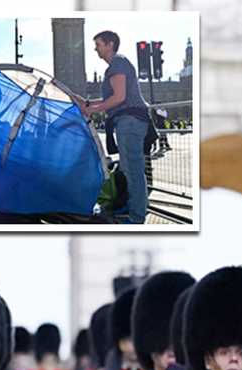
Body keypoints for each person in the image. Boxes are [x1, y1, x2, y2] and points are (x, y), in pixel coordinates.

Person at [83, 30, 150, 225]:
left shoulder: (118, 63)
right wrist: (87, 104)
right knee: (128, 168)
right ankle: (130, 206)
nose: (96, 48)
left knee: (133, 170)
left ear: (110, 44)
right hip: (127, 121)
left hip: (130, 121)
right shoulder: (115, 65)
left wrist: (92, 110)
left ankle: (137, 217)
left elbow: (119, 98)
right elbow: (110, 99)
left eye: (99, 44)